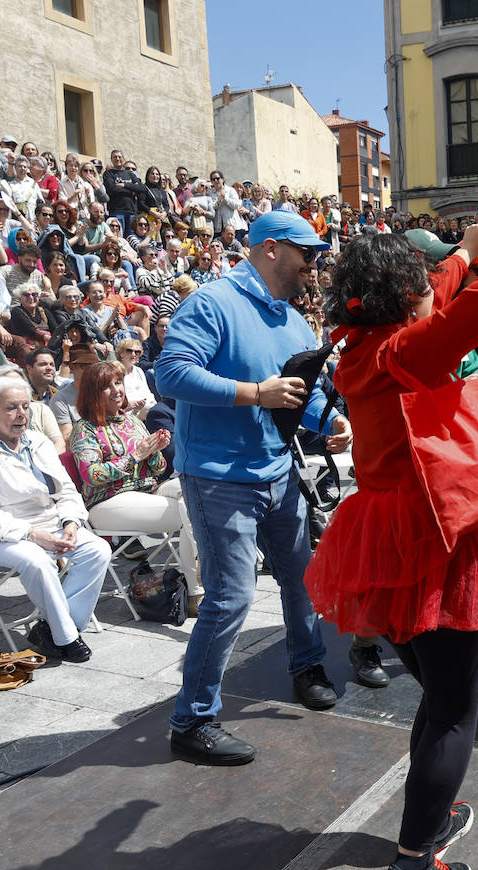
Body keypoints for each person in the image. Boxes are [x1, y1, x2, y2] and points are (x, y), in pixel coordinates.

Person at [305, 226, 478, 870]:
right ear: (403, 297)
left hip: (380, 538)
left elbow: (444, 298)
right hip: (439, 538)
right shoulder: (406, 349)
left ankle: (431, 815)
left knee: (438, 697)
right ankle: (411, 865)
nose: (431, 290)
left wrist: (459, 249)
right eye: (421, 284)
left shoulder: (362, 347)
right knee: (456, 710)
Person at [155, 210, 352, 764]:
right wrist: (252, 393)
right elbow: (170, 375)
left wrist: (326, 421)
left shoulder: (291, 319)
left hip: (278, 468)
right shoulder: (213, 302)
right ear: (270, 249)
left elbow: (299, 391)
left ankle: (306, 664)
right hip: (219, 477)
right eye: (306, 253)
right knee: (231, 597)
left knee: (302, 576)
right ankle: (191, 721)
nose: (315, 264)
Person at [0, 375, 109, 662]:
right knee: (36, 560)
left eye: (26, 406)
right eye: (11, 408)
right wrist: (34, 536)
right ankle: (66, 638)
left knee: (98, 550)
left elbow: (67, 492)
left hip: (51, 523)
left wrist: (71, 524)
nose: (21, 414)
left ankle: (54, 629)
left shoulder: (38, 442)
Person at [68, 360, 201, 601]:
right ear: (92, 394)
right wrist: (135, 456)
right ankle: (198, 586)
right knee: (190, 511)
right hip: (108, 501)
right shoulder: (84, 429)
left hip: (147, 491)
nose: (117, 390)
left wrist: (155, 452)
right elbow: (92, 475)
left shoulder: (133, 422)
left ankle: (200, 576)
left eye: (118, 382)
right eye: (107, 386)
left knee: (194, 491)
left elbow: (158, 469)